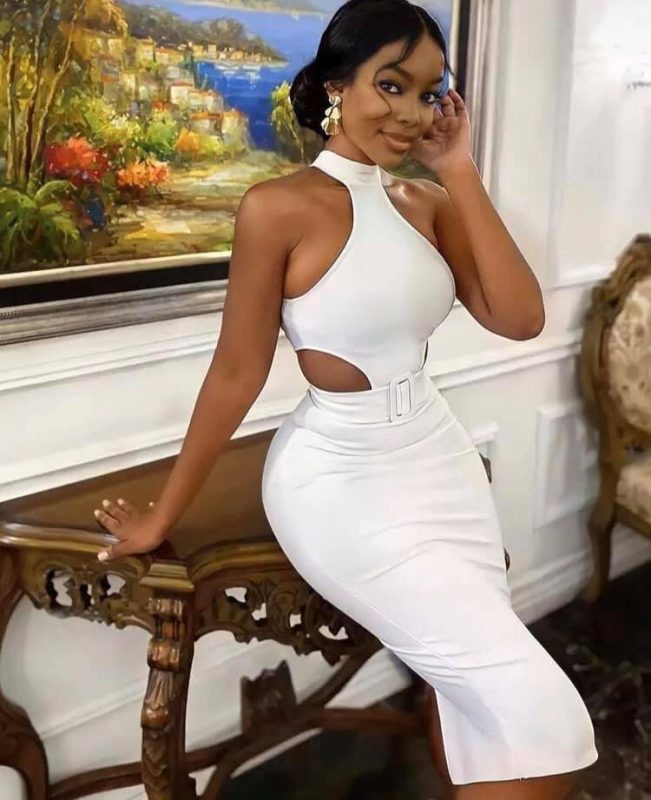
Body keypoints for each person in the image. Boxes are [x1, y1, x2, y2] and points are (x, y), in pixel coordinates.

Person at [93, 0, 599, 796]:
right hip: (339, 485)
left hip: (440, 464)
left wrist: (458, 169)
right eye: (389, 85)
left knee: (481, 706)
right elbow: (235, 373)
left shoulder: (427, 202)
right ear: (337, 84)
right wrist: (163, 516)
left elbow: (518, 318)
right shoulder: (278, 208)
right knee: (545, 719)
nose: (410, 113)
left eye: (427, 92)